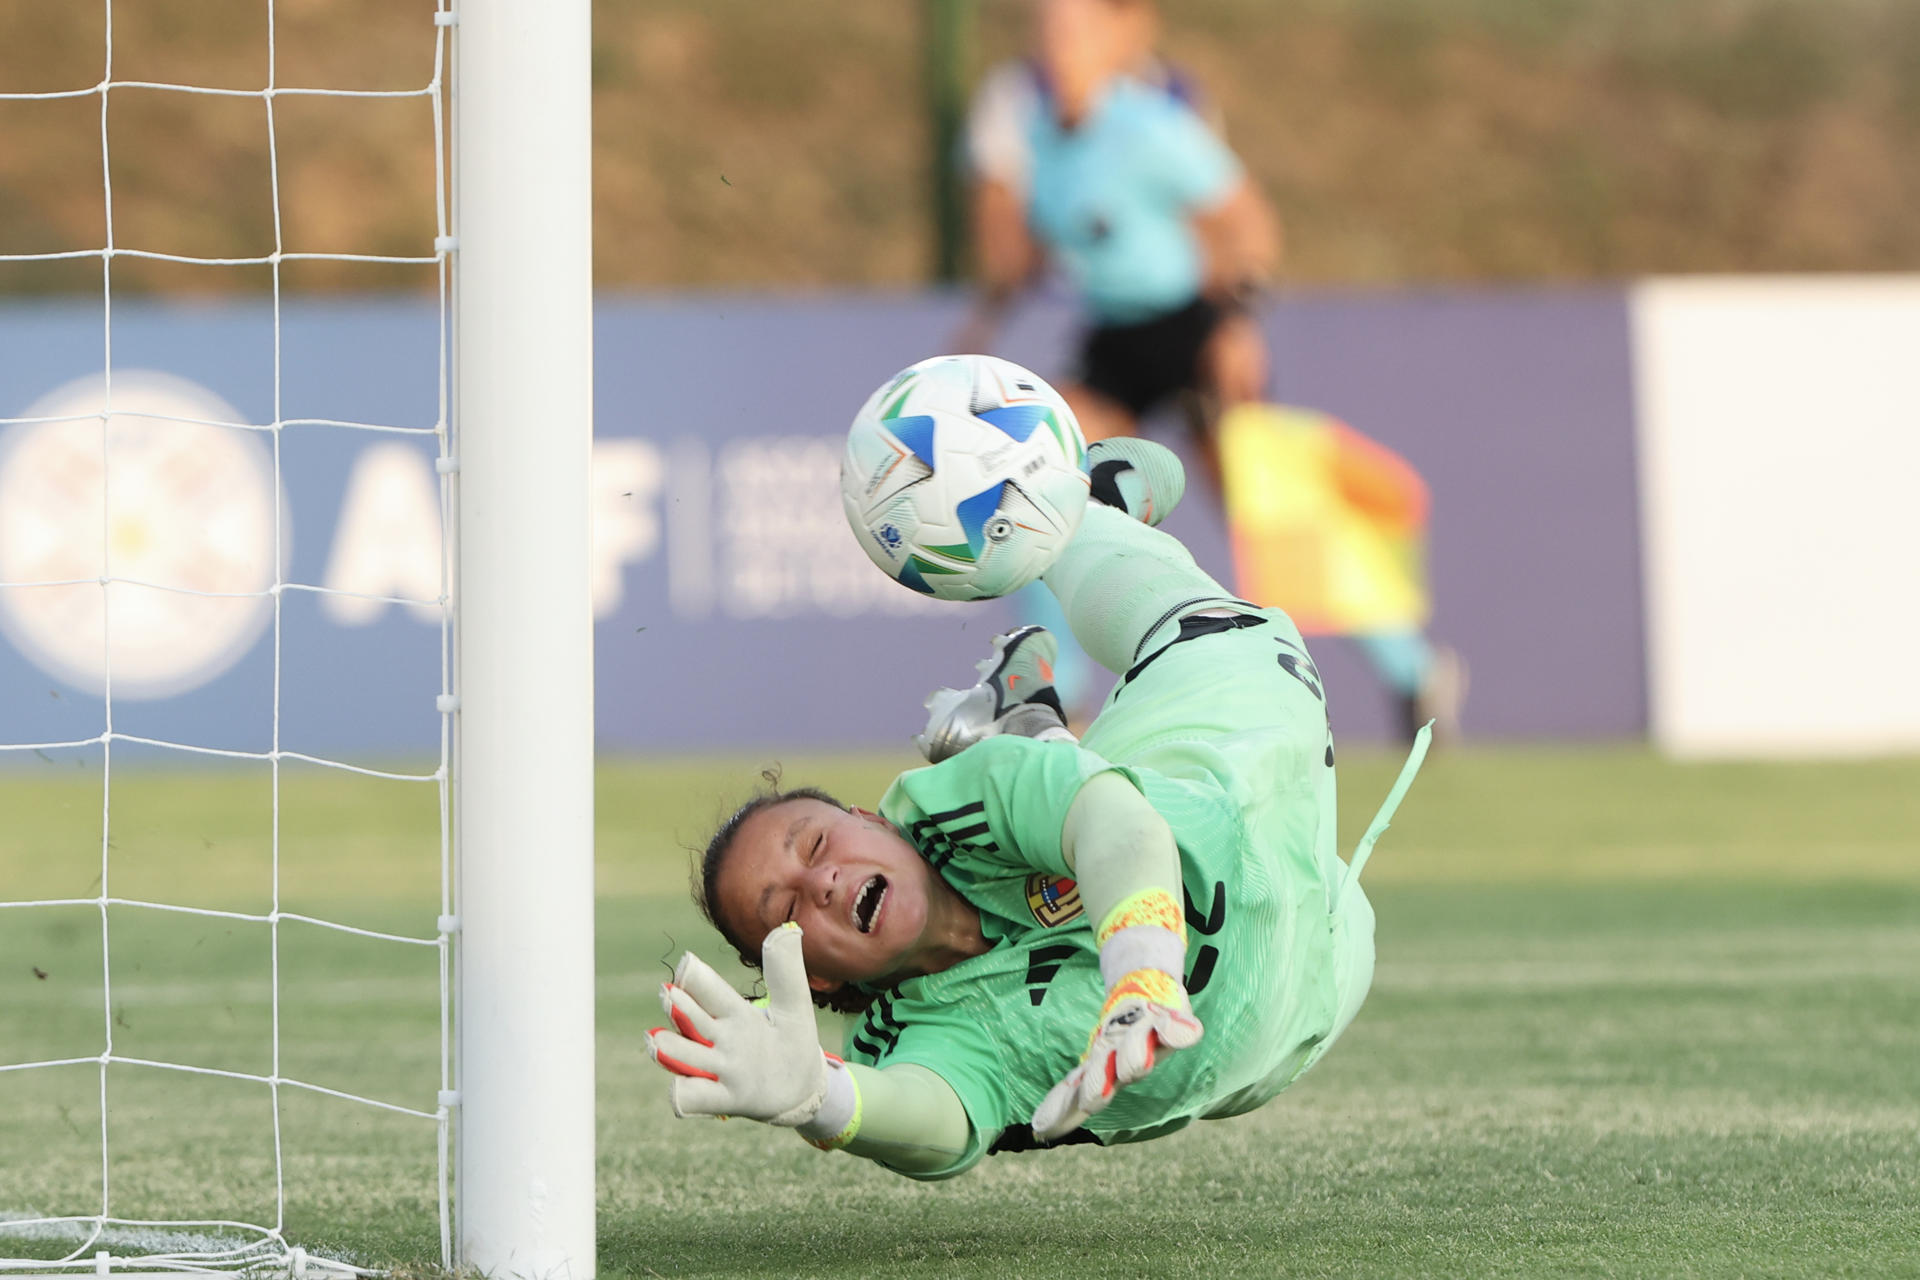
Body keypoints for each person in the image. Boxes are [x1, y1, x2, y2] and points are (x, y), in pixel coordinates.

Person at [646, 438, 1430, 1179]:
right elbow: (940, 1119)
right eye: (783, 908)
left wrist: (1143, 974)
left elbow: (1117, 826)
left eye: (815, 845)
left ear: (872, 819)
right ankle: (1036, 730)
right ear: (811, 980)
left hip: (1226, 758)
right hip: (1314, 980)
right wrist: (823, 1099)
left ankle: (1081, 509)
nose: (817, 884)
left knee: (1207, 631)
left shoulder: (957, 805)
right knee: (1334, 921)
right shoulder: (911, 1039)